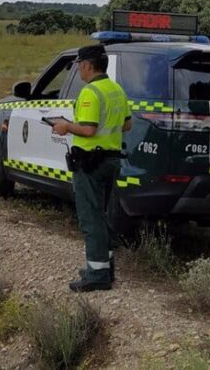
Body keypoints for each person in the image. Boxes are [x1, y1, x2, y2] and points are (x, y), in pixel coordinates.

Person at [51, 44, 131, 292]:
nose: (78, 69)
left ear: (87, 65)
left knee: (91, 218)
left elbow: (88, 129)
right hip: (111, 160)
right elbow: (127, 125)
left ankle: (97, 275)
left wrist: (65, 126)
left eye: (78, 65)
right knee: (101, 215)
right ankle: (104, 267)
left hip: (90, 163)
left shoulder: (90, 92)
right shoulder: (116, 89)